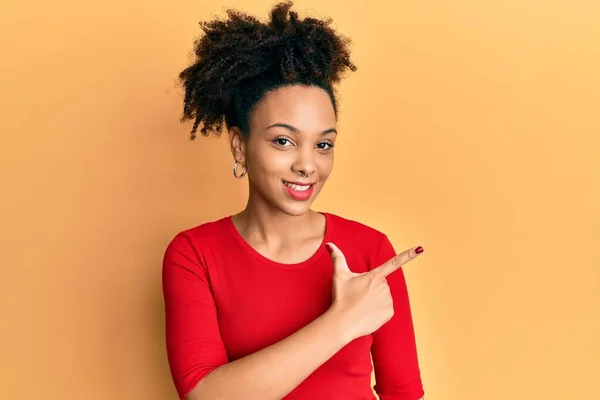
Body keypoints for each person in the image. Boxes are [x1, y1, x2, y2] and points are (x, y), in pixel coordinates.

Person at [162, 1, 425, 399]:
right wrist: (342, 322)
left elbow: (403, 394)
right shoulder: (194, 255)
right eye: (283, 141)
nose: (307, 164)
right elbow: (204, 395)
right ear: (239, 144)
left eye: (323, 144)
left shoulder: (370, 250)